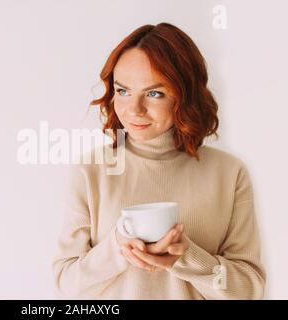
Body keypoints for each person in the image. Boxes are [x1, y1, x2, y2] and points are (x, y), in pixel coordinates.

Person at [51, 23, 266, 299]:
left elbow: (249, 290)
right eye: (123, 91)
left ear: (184, 95)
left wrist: (184, 256)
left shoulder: (229, 173)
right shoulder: (90, 170)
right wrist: (118, 246)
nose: (134, 110)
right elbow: (65, 284)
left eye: (154, 93)